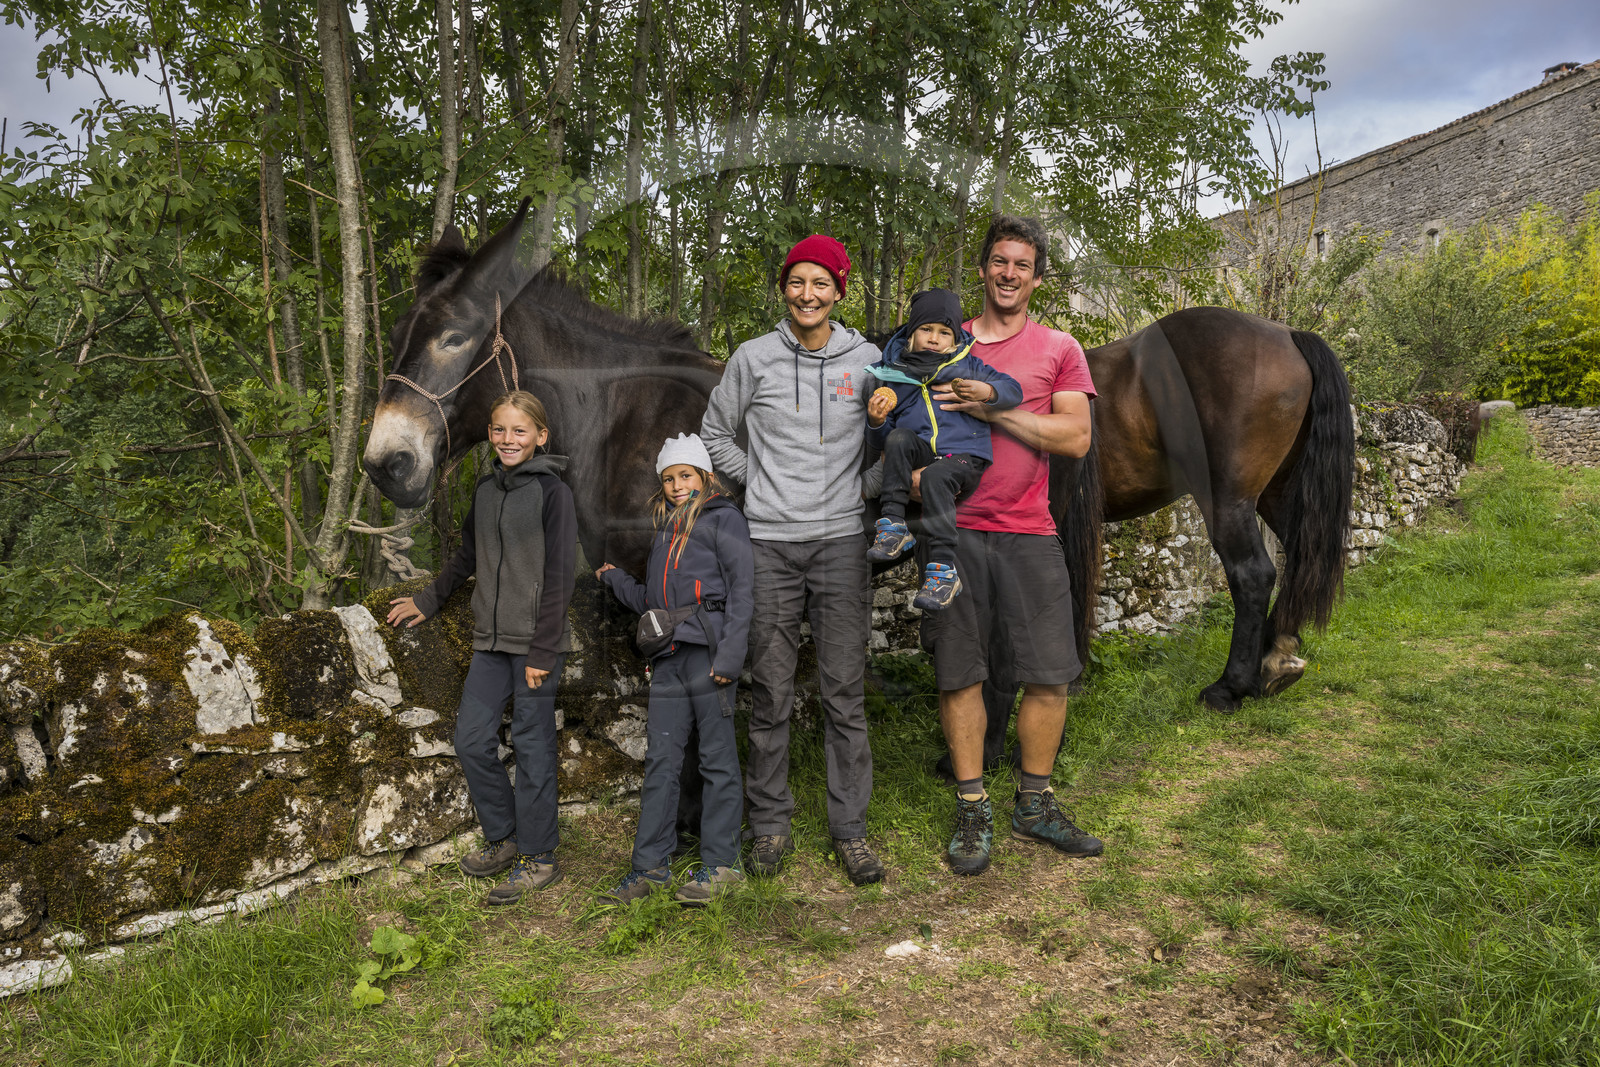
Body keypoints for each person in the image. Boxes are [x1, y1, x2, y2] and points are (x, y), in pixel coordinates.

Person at [915, 216, 1103, 876]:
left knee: (1052, 673)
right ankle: (972, 803)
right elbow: (906, 419)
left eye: (1021, 264)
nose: (1008, 273)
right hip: (954, 532)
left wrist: (993, 411)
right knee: (959, 669)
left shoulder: (1059, 348)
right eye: (999, 261)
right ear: (984, 269)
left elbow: (1075, 437)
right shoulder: (942, 341)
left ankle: (1034, 800)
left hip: (1030, 531)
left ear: (1037, 277)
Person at [698, 234, 886, 886]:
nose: (808, 294)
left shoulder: (868, 359)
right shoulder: (753, 359)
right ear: (784, 288)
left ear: (839, 290)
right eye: (797, 282)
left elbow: (902, 430)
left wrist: (866, 486)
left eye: (821, 283)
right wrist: (758, 478)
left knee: (842, 692)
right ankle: (771, 823)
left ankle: (851, 831)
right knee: (772, 691)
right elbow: (715, 432)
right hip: (769, 544)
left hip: (841, 545)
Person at [386, 390, 577, 905]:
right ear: (489, 434)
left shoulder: (553, 494)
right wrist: (428, 599)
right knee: (471, 739)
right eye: (499, 430)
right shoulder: (486, 491)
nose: (508, 439)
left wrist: (544, 650)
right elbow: (467, 554)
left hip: (536, 645)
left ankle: (540, 858)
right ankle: (505, 839)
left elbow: (560, 577)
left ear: (540, 437)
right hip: (489, 643)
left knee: (534, 748)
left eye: (519, 431)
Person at [595, 434, 754, 905]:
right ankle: (649, 867)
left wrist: (730, 656)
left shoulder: (726, 520)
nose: (676, 484)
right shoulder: (666, 532)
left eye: (685, 475)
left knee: (717, 759)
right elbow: (652, 602)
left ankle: (722, 865)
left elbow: (744, 592)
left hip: (708, 656)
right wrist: (615, 579)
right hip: (666, 660)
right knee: (662, 763)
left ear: (705, 476)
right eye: (668, 478)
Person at [864, 287, 1022, 610]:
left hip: (965, 456)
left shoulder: (970, 367)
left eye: (944, 332)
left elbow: (1014, 391)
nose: (934, 338)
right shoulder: (895, 377)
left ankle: (943, 570)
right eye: (926, 330)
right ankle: (893, 527)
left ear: (955, 338)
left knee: (935, 477)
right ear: (911, 334)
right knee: (898, 439)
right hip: (924, 450)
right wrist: (877, 422)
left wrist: (987, 391)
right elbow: (885, 445)